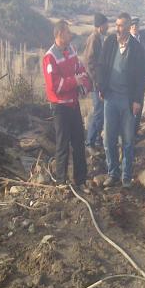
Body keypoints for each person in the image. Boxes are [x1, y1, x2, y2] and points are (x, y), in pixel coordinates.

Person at [96, 12, 145, 188]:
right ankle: (113, 173)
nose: (118, 28)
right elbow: (101, 66)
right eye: (116, 25)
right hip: (110, 97)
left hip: (127, 100)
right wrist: (101, 87)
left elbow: (141, 77)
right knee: (108, 139)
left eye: (121, 25)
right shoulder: (110, 42)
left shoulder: (137, 48)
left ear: (128, 26)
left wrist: (137, 100)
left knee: (127, 139)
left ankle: (126, 176)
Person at [42, 20, 92, 193]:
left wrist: (83, 85)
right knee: (62, 143)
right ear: (60, 34)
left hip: (73, 104)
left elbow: (80, 69)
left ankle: (81, 179)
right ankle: (61, 181)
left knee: (79, 142)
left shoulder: (71, 50)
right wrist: (74, 81)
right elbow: (54, 85)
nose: (71, 35)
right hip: (60, 108)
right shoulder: (50, 57)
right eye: (68, 32)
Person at [83, 13, 109, 153]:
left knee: (101, 112)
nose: (108, 26)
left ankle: (97, 140)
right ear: (100, 26)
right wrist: (97, 82)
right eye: (106, 24)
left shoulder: (99, 38)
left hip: (100, 83)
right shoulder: (94, 39)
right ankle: (90, 143)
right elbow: (89, 63)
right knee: (98, 112)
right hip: (96, 84)